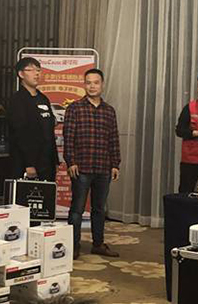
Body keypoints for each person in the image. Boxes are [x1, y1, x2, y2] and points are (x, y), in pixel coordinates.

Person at [64, 68, 121, 259]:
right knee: (77, 210)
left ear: (102, 85)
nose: (92, 86)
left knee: (99, 209)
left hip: (103, 167)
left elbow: (113, 139)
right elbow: (68, 137)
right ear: (84, 85)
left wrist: (115, 164)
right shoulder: (75, 108)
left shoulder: (109, 111)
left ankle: (98, 244)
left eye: (96, 82)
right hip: (81, 168)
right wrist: (71, 161)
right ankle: (73, 245)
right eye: (88, 83)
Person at [8, 57, 59, 181]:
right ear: (21, 74)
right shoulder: (17, 100)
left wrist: (54, 160)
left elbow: (49, 130)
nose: (36, 74)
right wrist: (29, 163)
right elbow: (20, 133)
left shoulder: (43, 98)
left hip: (47, 161)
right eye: (30, 70)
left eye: (38, 70)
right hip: (28, 164)